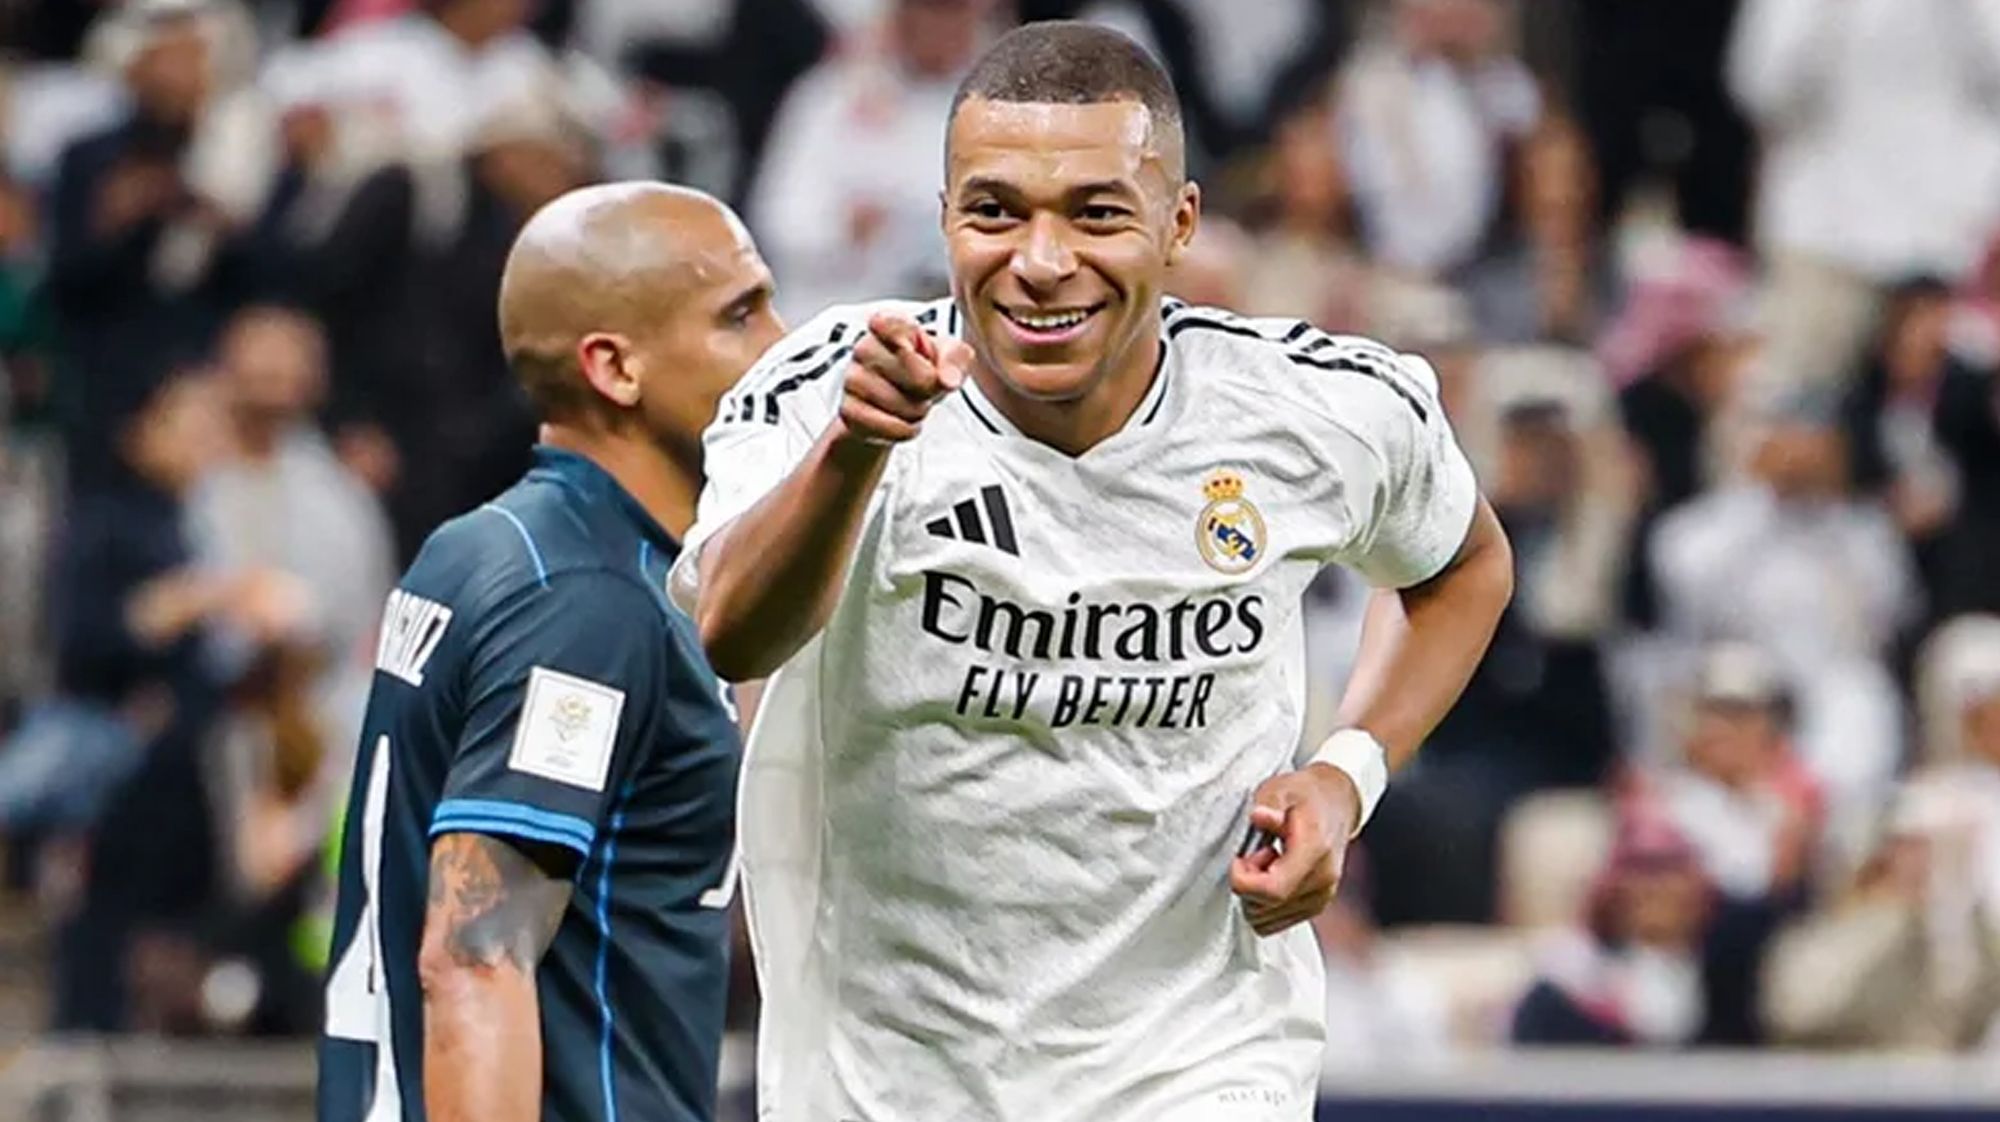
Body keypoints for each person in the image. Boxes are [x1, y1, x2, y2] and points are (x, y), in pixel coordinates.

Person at [674, 22, 1513, 1122]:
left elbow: (1461, 564)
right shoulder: (826, 391)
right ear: (942, 221)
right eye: (994, 211)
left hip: (1201, 1062)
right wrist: (854, 450)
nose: (1039, 260)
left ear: (1179, 224)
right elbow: (731, 635)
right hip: (886, 1079)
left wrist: (1343, 776)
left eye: (1095, 213)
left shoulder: (1315, 410)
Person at [314, 182, 783, 1122]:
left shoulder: (485, 546)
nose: (781, 344)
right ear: (614, 366)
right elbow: (473, 956)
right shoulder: (588, 603)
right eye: (739, 316)